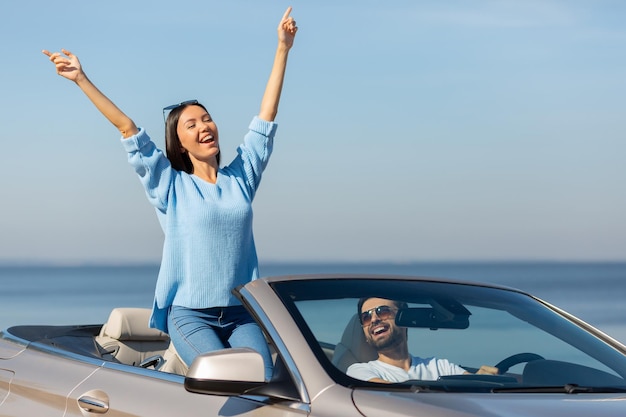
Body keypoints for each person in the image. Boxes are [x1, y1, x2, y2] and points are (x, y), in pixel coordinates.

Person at [42, 7, 298, 380]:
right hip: (191, 316)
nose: (203, 126)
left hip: (243, 313)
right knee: (228, 377)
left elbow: (265, 119)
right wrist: (81, 78)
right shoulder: (171, 185)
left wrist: (283, 48)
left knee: (265, 380)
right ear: (179, 143)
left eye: (206, 118)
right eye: (191, 124)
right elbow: (128, 127)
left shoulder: (240, 178)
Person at [347, 297, 499, 383]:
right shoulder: (359, 371)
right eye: (366, 317)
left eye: (383, 311)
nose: (374, 320)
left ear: (405, 319)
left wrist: (482, 380)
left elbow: (471, 391)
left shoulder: (441, 367)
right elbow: (395, 398)